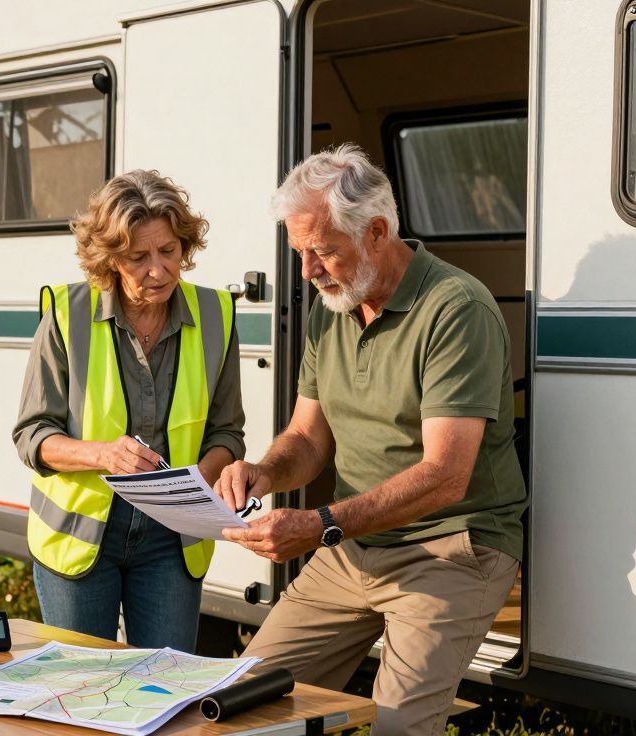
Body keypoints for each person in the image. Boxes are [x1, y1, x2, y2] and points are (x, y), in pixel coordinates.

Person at [214, 144, 526, 735]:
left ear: (378, 232)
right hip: (351, 546)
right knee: (239, 707)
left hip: (452, 549)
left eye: (321, 251)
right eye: (299, 253)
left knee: (396, 727)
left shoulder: (455, 308)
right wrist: (265, 472)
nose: (306, 271)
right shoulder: (332, 307)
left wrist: (320, 524)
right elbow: (307, 438)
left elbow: (445, 475)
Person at [13, 169, 245, 652]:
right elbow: (32, 435)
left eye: (169, 252)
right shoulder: (66, 314)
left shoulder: (217, 316)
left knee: (166, 688)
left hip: (172, 541)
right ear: (109, 259)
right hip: (81, 537)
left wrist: (198, 484)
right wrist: (102, 455)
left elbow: (227, 433)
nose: (157, 271)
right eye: (138, 258)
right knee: (82, 693)